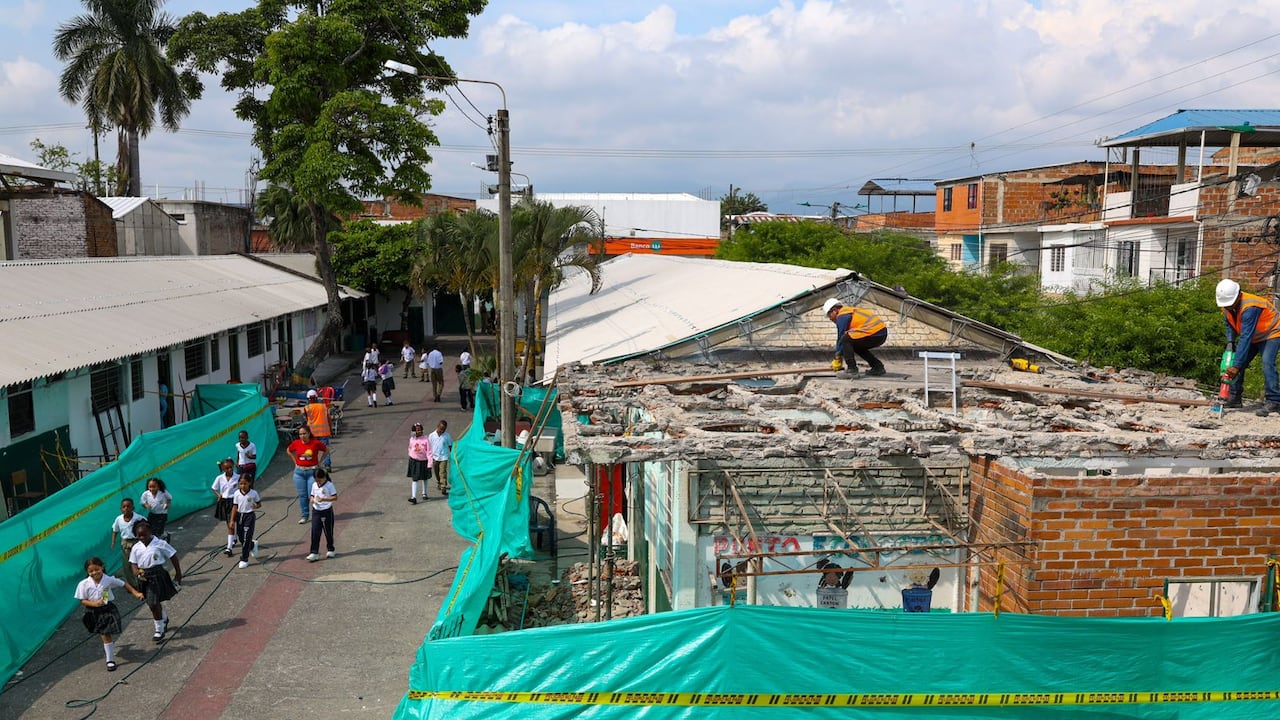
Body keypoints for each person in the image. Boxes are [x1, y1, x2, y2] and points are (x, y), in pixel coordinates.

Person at [1216, 278, 1280, 415]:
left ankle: (1274, 401)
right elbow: (1230, 325)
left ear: (1238, 295)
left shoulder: (1250, 307)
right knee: (1239, 361)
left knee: (1267, 362)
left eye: (1229, 305)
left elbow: (1246, 336)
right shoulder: (1228, 304)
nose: (1227, 307)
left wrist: (1236, 366)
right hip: (1255, 334)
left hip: (1271, 332)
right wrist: (1230, 343)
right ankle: (1234, 397)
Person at [75, 557, 144, 671]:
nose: (94, 573)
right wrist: (94, 603)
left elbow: (123, 584)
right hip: (92, 611)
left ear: (102, 567)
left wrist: (135, 593)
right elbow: (82, 600)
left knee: (106, 634)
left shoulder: (108, 579)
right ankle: (111, 652)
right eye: (91, 571)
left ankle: (110, 659)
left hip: (107, 609)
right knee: (103, 634)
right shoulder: (84, 584)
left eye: (96, 569)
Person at [128, 519, 182, 643]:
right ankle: (163, 617)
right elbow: (133, 562)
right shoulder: (136, 547)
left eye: (144, 535)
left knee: (153, 603)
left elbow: (173, 556)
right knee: (151, 601)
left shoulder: (160, 543)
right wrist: (136, 572)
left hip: (157, 574)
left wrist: (178, 574)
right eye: (139, 535)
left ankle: (159, 630)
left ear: (150, 532)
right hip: (144, 576)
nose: (141, 537)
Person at [821, 298, 888, 377]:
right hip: (880, 333)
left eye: (829, 315)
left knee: (846, 339)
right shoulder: (849, 311)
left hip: (875, 332)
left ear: (834, 311)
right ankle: (877, 367)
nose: (830, 319)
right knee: (854, 344)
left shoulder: (842, 315)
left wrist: (837, 357)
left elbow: (841, 336)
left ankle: (852, 369)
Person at [287, 426, 327, 524]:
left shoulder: (315, 443)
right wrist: (294, 461)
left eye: (304, 433)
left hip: (312, 472)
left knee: (312, 495)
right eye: (300, 434)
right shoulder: (296, 443)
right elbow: (288, 450)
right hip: (299, 473)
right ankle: (305, 515)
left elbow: (326, 450)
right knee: (302, 495)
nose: (302, 436)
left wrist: (320, 462)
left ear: (309, 433)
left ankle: (317, 514)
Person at [229, 474, 262, 569]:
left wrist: (256, 506)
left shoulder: (253, 493)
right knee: (241, 537)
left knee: (247, 537)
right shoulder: (236, 494)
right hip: (240, 516)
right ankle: (252, 545)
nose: (243, 486)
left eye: (245, 484)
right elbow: (235, 507)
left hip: (249, 516)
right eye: (241, 484)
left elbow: (259, 503)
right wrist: (232, 520)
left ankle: (244, 559)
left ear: (249, 483)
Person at [306, 468, 338, 562]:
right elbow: (312, 495)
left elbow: (335, 497)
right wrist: (312, 500)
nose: (318, 481)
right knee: (315, 531)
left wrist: (324, 500)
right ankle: (314, 552)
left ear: (324, 477)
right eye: (316, 479)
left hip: (327, 510)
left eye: (319, 479)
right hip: (316, 510)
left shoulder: (329, 485)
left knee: (328, 531)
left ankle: (331, 549)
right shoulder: (314, 485)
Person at [211, 459, 240, 555]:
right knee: (229, 523)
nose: (230, 469)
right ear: (223, 469)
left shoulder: (238, 477)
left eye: (231, 467)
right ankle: (234, 538)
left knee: (232, 523)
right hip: (224, 502)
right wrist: (218, 495)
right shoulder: (220, 478)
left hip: (234, 502)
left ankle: (229, 547)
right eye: (227, 468)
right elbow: (213, 488)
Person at [109, 498, 143, 572]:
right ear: (121, 509)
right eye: (124, 507)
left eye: (128, 506)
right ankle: (132, 581)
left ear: (133, 508)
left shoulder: (139, 518)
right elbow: (115, 530)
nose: (126, 508)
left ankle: (141, 577)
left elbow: (146, 529)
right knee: (128, 562)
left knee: (139, 560)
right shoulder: (119, 519)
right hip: (126, 543)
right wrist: (113, 542)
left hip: (137, 542)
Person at [304, 389, 333, 468]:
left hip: (313, 433)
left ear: (308, 399)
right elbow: (328, 419)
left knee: (313, 449)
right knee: (325, 449)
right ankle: (327, 465)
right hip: (324, 432)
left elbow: (307, 419)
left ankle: (315, 464)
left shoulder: (307, 408)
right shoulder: (323, 406)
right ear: (316, 398)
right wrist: (331, 429)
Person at [139, 477, 172, 541]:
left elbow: (169, 498)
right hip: (152, 514)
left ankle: (164, 536)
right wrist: (146, 505)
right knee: (150, 528)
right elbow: (142, 502)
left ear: (158, 486)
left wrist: (168, 504)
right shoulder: (146, 494)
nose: (151, 489)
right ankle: (158, 538)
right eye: (150, 487)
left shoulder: (163, 492)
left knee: (157, 531)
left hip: (162, 514)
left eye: (154, 487)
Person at [407, 422, 432, 504]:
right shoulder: (412, 439)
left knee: (425, 478)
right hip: (414, 461)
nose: (418, 432)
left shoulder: (426, 439)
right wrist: (410, 456)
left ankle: (424, 493)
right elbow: (410, 448)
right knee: (415, 479)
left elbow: (429, 452)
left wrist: (430, 463)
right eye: (417, 430)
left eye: (420, 430)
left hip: (423, 461)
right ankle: (413, 497)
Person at [428, 420, 454, 496]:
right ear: (437, 427)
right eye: (440, 428)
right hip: (435, 457)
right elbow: (428, 447)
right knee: (436, 472)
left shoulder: (447, 436)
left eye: (443, 429)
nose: (442, 430)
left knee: (442, 472)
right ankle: (439, 482)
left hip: (444, 457)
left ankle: (443, 487)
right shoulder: (432, 435)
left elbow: (450, 446)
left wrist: (452, 454)